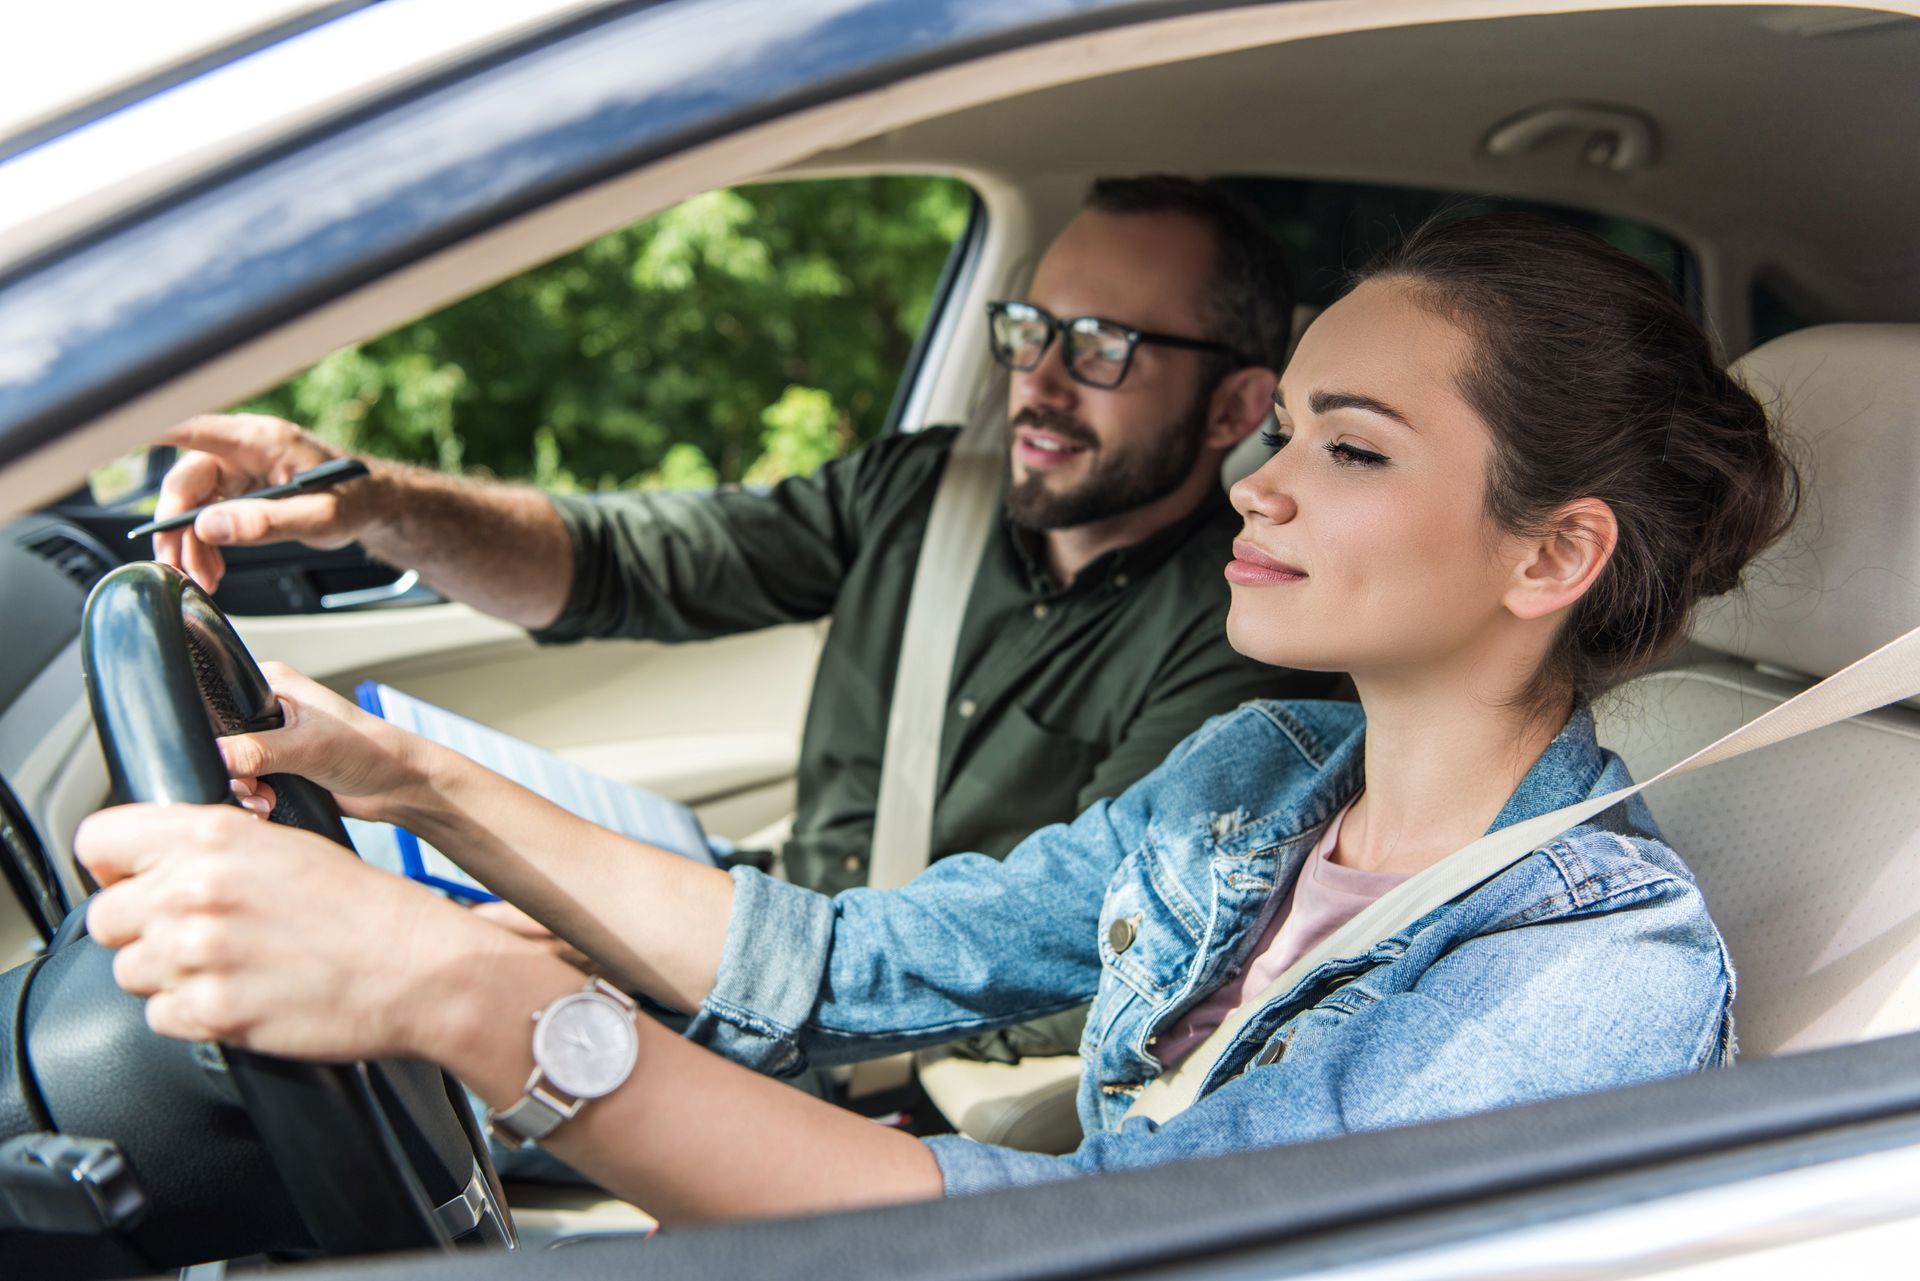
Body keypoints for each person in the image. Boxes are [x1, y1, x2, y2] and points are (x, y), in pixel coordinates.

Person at [78, 215, 1798, 1223]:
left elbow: (1090, 1254)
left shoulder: (1586, 985)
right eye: (1288, 434)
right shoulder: (1258, 784)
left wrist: (473, 1000)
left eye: (1348, 447)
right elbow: (834, 961)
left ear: (1554, 553)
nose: (1259, 487)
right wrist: (410, 780)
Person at [150, 175, 1330, 919]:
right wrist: (377, 504)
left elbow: (1074, 947)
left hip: (900, 1032)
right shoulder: (920, 493)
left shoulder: (1249, 632)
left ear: (1234, 411)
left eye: (1105, 346)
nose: (1039, 382)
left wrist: (666, 967)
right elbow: (625, 562)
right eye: (1030, 331)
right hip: (772, 915)